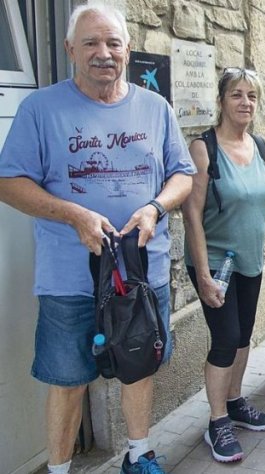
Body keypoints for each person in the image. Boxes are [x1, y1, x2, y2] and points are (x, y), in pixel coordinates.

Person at [0, 5, 195, 473]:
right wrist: (72, 215)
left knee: (139, 368)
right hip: (71, 279)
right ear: (70, 49)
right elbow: (9, 182)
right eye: (90, 43)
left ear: (127, 49)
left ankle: (139, 454)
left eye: (112, 43)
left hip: (141, 273)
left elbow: (183, 175)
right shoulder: (40, 108)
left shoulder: (156, 107)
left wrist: (155, 207)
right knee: (67, 379)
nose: (103, 53)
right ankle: (61, 469)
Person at [182, 68, 265, 463]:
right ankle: (217, 420)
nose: (245, 103)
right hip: (214, 263)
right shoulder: (203, 148)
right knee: (225, 339)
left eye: (252, 96)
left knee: (243, 336)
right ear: (222, 100)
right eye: (237, 95)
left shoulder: (257, 144)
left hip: (249, 261)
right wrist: (203, 274)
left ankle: (236, 400)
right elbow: (191, 216)